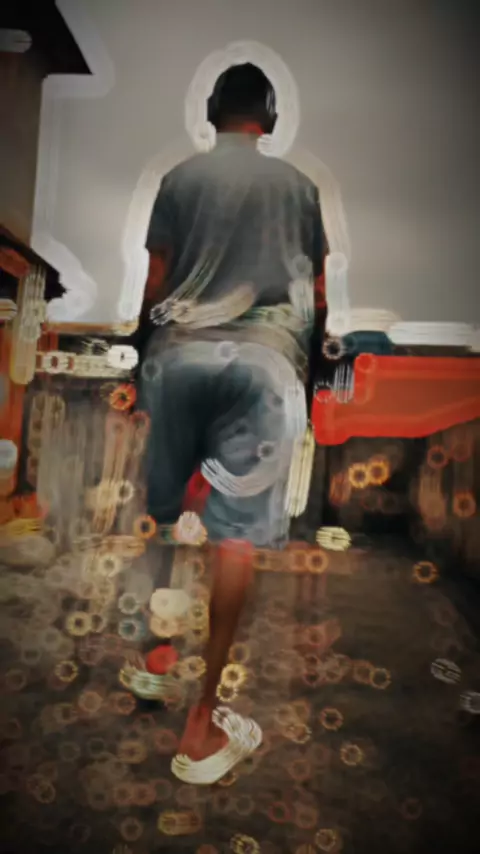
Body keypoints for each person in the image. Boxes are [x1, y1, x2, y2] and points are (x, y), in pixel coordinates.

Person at [130, 63, 329, 775]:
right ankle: (201, 724)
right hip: (265, 364)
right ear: (268, 118)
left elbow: (157, 279)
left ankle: (155, 660)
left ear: (213, 113)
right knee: (235, 540)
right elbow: (318, 293)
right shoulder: (299, 188)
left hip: (177, 357)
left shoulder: (179, 180)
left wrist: (138, 356)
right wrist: (309, 380)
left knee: (160, 516)